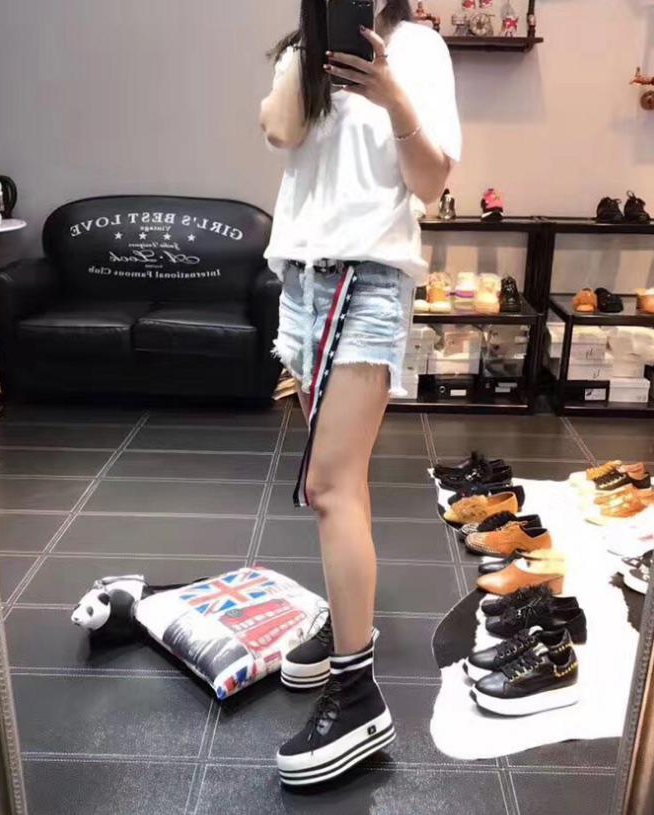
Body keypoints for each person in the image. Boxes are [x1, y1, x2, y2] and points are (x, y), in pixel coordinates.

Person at [260, 0, 461, 786]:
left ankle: (357, 697)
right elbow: (280, 134)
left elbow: (433, 180)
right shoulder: (303, 48)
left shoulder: (419, 49)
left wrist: (392, 96)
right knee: (344, 483)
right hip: (301, 282)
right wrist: (304, 56)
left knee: (328, 485)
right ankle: (351, 626)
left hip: (368, 281)